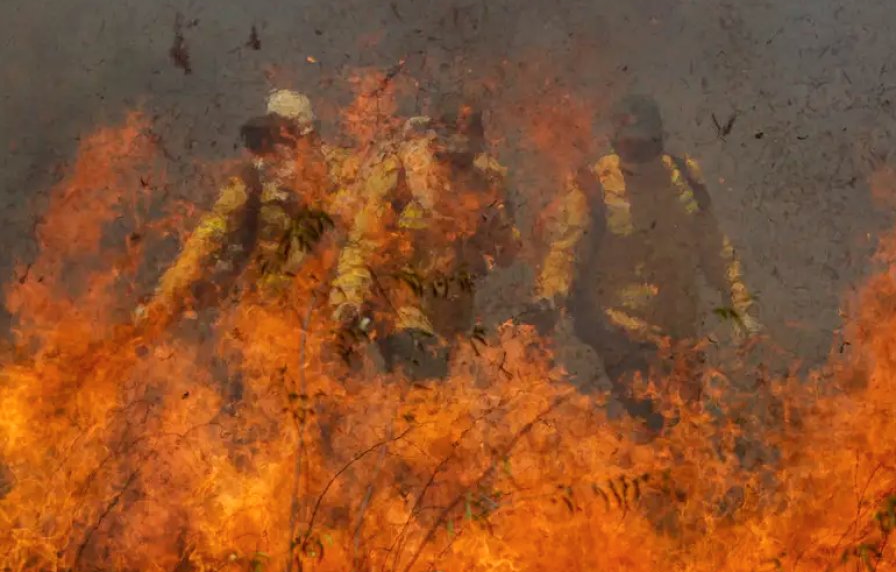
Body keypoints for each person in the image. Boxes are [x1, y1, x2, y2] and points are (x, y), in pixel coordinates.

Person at [529, 93, 761, 430]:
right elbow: (565, 253)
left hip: (680, 343)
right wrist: (551, 295)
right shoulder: (593, 186)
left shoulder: (685, 178)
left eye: (643, 143)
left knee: (682, 441)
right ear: (615, 142)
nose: (636, 152)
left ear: (659, 139)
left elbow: (715, 250)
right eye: (628, 144)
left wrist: (741, 305)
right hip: (619, 341)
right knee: (638, 441)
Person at [329, 96, 521, 379]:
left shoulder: (487, 181)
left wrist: (497, 225)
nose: (459, 166)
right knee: (421, 370)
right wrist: (349, 298)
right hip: (401, 308)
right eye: (453, 156)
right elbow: (362, 245)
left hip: (453, 316)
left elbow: (505, 255)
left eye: (466, 155)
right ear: (436, 141)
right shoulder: (402, 174)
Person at [138, 89, 353, 329]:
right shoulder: (253, 180)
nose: (283, 146)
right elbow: (208, 236)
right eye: (277, 136)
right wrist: (166, 296)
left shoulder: (341, 171)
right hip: (269, 311)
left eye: (292, 133)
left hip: (329, 306)